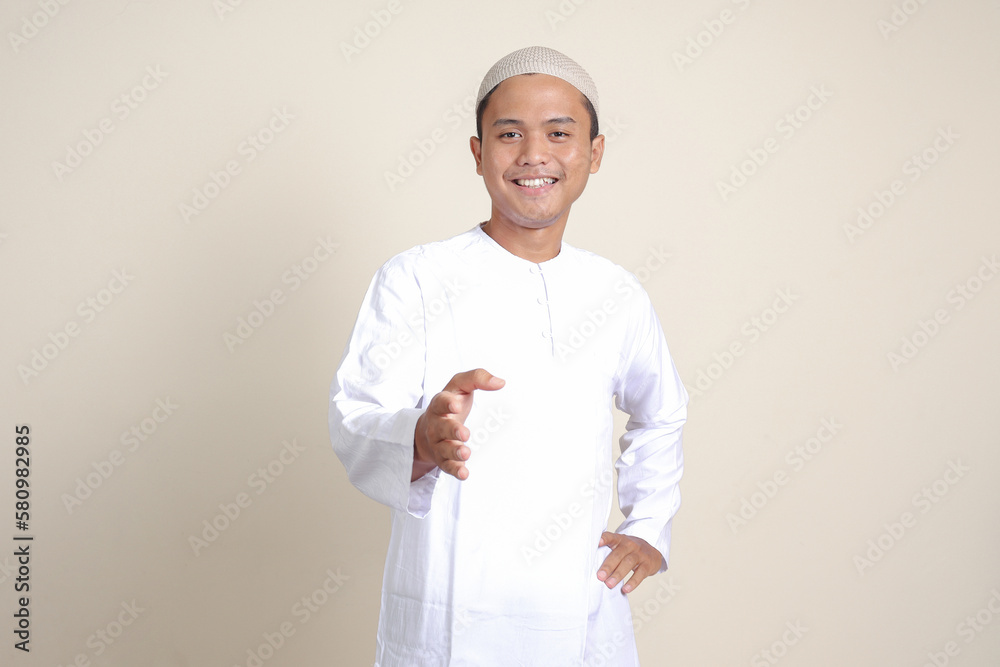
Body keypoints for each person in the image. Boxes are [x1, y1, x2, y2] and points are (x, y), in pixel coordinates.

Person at [329, 46, 687, 666]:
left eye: (559, 133)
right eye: (509, 134)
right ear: (477, 153)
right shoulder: (416, 278)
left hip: (577, 615)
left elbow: (662, 415)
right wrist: (420, 435)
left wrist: (648, 529)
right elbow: (356, 416)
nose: (534, 155)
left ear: (594, 154)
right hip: (449, 615)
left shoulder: (617, 294)